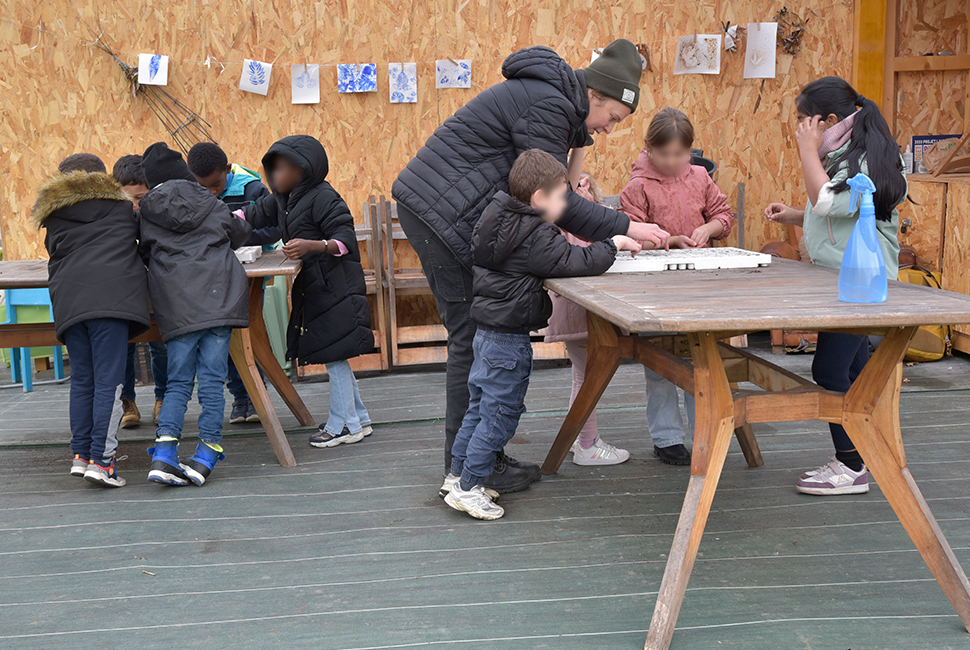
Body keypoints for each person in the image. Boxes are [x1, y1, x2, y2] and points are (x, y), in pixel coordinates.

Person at [393, 39, 669, 492]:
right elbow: (557, 203)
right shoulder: (550, 105)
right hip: (440, 213)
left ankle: (476, 460)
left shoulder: (554, 102)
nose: (609, 129)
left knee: (474, 336)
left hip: (439, 208)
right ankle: (466, 470)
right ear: (594, 94)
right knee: (471, 335)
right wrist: (627, 226)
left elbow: (558, 193)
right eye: (612, 118)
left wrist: (580, 139)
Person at [444, 149, 642, 519]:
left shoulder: (495, 218)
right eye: (561, 197)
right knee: (499, 415)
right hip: (509, 340)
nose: (565, 205)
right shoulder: (535, 234)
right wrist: (613, 243)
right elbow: (576, 261)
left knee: (478, 410)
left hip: (485, 334)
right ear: (539, 197)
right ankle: (469, 488)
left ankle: (456, 475)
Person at [765, 76, 906, 496]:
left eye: (803, 120)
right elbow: (839, 210)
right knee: (856, 373)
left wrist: (807, 150)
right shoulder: (848, 151)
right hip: (843, 279)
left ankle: (850, 466)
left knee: (828, 370)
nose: (799, 128)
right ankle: (866, 453)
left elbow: (827, 200)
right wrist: (795, 215)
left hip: (862, 282)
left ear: (826, 120)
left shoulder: (864, 158)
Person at [619, 107, 735, 465]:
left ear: (690, 150)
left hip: (701, 286)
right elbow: (630, 236)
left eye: (680, 154)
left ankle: (705, 431)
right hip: (656, 289)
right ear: (648, 147)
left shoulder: (700, 177)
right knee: (660, 363)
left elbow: (724, 215)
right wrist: (668, 240)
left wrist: (708, 229)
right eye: (664, 153)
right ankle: (667, 437)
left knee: (701, 361)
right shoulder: (637, 186)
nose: (672, 161)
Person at [242, 135, 374, 448]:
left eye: (282, 169)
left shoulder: (324, 197)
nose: (275, 175)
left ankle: (344, 426)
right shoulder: (281, 200)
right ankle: (359, 419)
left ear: (303, 169)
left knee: (334, 356)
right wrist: (212, 216)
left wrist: (311, 245)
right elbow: (250, 214)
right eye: (273, 169)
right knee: (335, 354)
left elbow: (345, 242)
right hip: (316, 287)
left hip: (336, 287)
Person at [138, 142, 252, 486]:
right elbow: (239, 234)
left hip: (177, 307)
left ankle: (164, 454)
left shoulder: (147, 212)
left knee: (178, 382)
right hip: (220, 301)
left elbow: (142, 254)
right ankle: (205, 456)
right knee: (213, 382)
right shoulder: (210, 201)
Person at [33, 153, 151, 487]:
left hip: (70, 302)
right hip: (111, 301)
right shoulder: (122, 209)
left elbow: (55, 251)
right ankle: (102, 462)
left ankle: (82, 455)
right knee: (109, 383)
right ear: (102, 177)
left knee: (83, 381)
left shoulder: (53, 215)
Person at [544, 171, 633, 466]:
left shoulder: (558, 221)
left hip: (574, 311)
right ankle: (587, 445)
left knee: (582, 377)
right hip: (580, 312)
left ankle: (579, 437)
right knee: (588, 378)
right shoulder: (573, 223)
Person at [187, 142, 280, 425]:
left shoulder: (253, 190)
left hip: (250, 275)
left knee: (249, 335)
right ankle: (241, 396)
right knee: (223, 337)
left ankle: (257, 395)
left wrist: (234, 234)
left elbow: (274, 229)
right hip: (212, 278)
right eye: (204, 187)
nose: (212, 193)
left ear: (228, 169)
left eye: (217, 184)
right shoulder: (192, 194)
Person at [112, 154, 168, 429]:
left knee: (161, 345)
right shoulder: (112, 220)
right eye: (128, 199)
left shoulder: (159, 216)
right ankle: (127, 402)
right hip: (124, 291)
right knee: (124, 347)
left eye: (141, 198)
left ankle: (163, 399)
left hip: (157, 289)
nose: (135, 206)